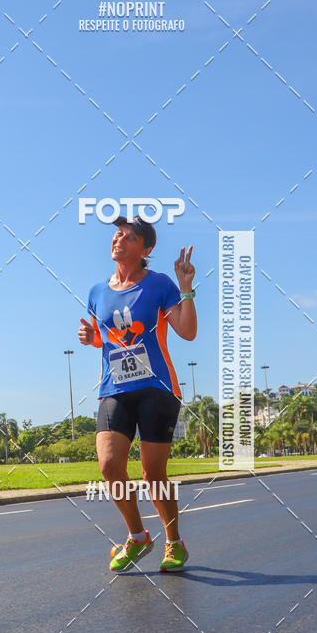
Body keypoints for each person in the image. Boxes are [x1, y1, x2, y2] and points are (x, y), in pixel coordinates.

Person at [78, 216, 197, 573]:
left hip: (157, 389)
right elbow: (106, 339)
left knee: (153, 474)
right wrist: (91, 339)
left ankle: (174, 542)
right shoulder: (97, 292)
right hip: (114, 389)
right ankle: (138, 536)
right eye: (118, 233)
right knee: (109, 465)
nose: (120, 238)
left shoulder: (160, 284)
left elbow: (187, 332)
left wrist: (186, 286)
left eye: (130, 237)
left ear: (145, 250)